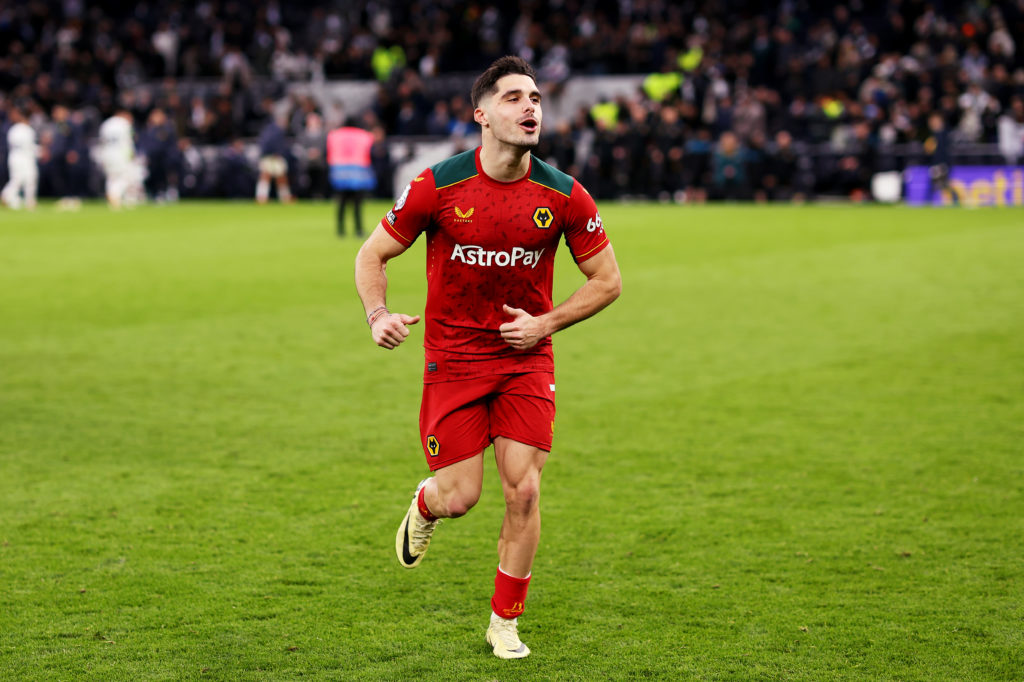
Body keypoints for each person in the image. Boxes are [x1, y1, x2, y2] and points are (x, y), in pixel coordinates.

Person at [354, 56, 621, 660]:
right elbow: (371, 256)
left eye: (536, 98)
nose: (531, 108)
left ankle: (505, 622)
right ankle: (427, 503)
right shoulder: (438, 185)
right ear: (481, 114)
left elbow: (608, 280)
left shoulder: (563, 194)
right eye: (513, 98)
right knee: (461, 498)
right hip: (452, 359)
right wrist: (378, 316)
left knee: (523, 491)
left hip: (526, 358)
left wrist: (546, 324)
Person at [326, 119, 376, 237]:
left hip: (340, 173)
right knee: (357, 204)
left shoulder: (334, 135)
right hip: (358, 173)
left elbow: (329, 153)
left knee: (341, 202)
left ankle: (340, 230)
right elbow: (368, 153)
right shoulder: (364, 135)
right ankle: (358, 229)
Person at [98, 110, 143, 209]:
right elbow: (128, 141)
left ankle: (114, 199)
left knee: (111, 178)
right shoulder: (124, 124)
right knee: (125, 177)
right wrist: (132, 155)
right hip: (121, 155)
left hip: (107, 155)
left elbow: (101, 141)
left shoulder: (106, 124)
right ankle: (116, 196)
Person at [1, 108, 39, 211]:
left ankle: (8, 195)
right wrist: (40, 152)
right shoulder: (27, 130)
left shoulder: (13, 129)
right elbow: (29, 147)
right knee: (29, 178)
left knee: (17, 179)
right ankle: (28, 201)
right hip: (25, 157)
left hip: (14, 157)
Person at [256, 111, 292, 204]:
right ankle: (262, 198)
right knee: (267, 177)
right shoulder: (275, 130)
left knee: (279, 178)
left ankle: (284, 198)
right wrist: (275, 153)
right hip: (271, 157)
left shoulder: (271, 129)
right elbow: (269, 145)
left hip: (271, 157)